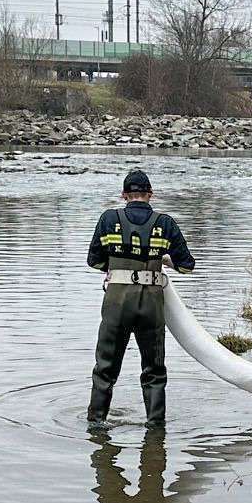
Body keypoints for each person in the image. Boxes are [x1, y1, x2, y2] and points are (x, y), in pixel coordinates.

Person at [86, 169, 197, 426]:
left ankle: (96, 425)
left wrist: (116, 267)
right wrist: (165, 261)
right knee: (154, 370)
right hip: (151, 303)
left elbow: (94, 261)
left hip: (116, 302)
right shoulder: (165, 223)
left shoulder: (109, 219)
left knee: (105, 368)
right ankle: (156, 428)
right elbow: (187, 266)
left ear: (124, 195)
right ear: (150, 194)